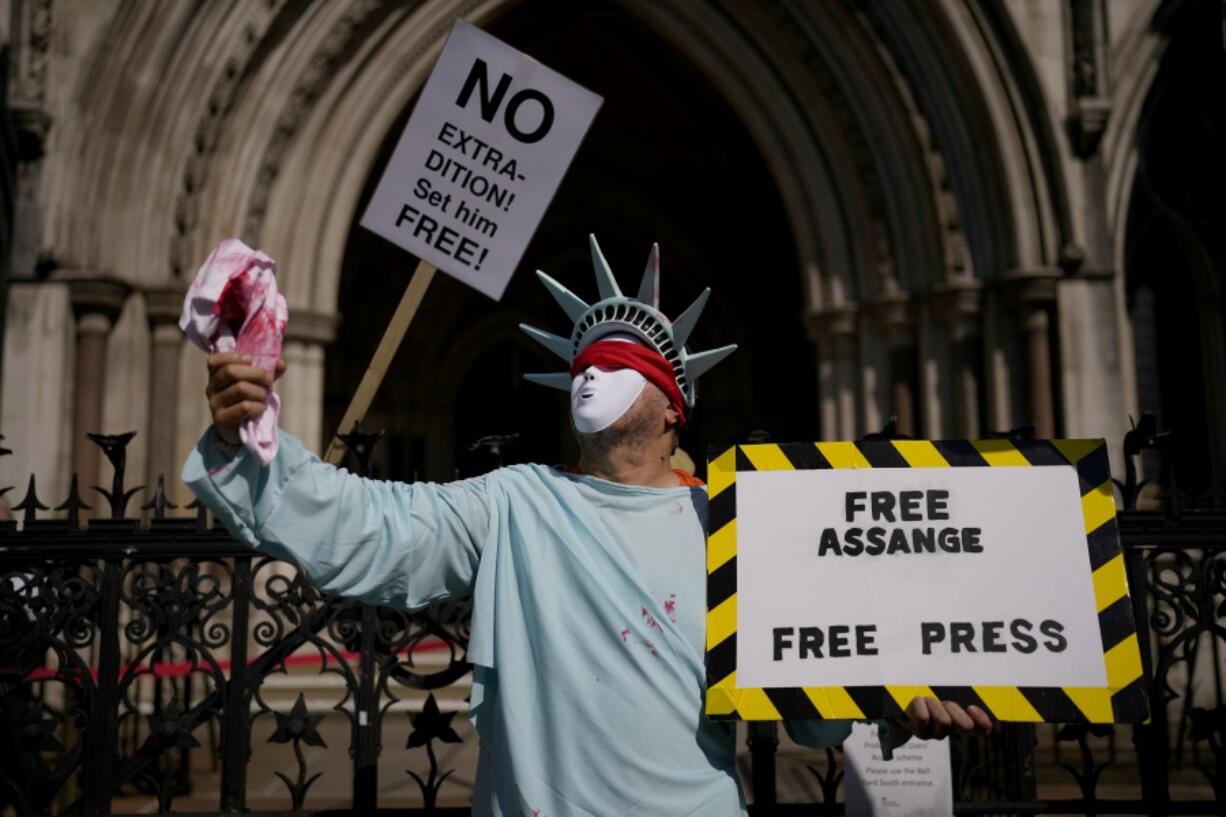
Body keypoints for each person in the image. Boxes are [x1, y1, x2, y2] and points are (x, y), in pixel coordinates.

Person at [185, 236, 991, 816]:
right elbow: (373, 528)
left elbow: (813, 703)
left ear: (674, 406)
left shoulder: (736, 525)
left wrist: (898, 695)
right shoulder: (514, 503)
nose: (593, 374)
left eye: (620, 364)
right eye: (584, 365)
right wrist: (245, 442)